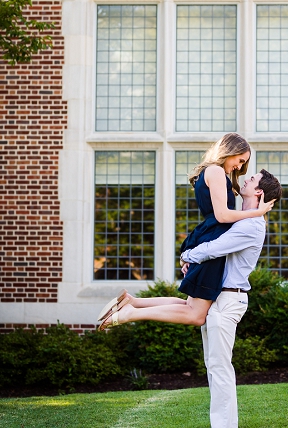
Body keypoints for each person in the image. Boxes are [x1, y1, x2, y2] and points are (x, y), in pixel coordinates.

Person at [96, 133, 274, 329]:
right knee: (196, 315)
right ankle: (131, 313)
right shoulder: (215, 172)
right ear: (230, 151)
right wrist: (258, 212)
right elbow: (222, 216)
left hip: (209, 234)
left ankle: (133, 303)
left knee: (190, 306)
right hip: (212, 237)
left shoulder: (212, 172)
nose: (240, 167)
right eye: (240, 160)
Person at [181, 169, 281, 428]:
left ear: (259, 192)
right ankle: (221, 426)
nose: (246, 179)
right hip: (218, 296)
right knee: (212, 364)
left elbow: (216, 248)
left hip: (228, 299)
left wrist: (188, 255)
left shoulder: (251, 225)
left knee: (220, 365)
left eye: (252, 180)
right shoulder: (242, 218)